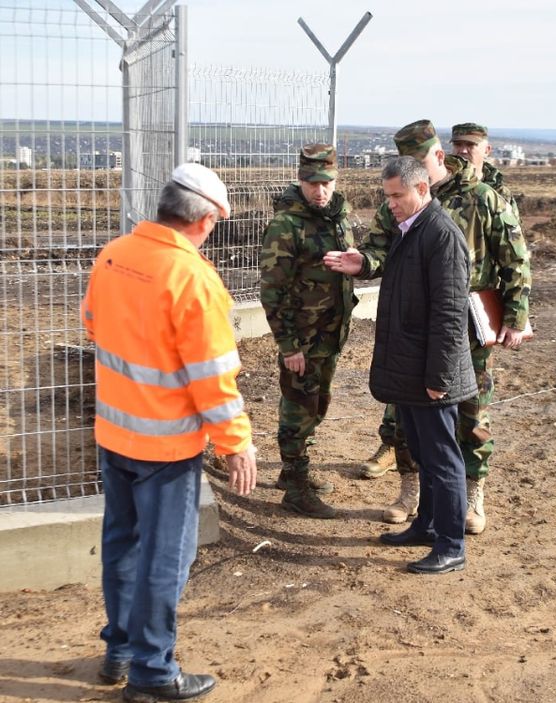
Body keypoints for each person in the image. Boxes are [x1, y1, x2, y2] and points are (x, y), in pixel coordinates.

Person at [82, 163, 257, 700]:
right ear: (204, 220)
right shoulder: (194, 280)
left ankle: (120, 648)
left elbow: (92, 322)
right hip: (166, 446)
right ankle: (154, 671)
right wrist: (236, 444)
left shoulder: (114, 255)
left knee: (122, 545)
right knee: (165, 557)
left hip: (115, 432)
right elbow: (213, 378)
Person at [353, 119, 531, 535]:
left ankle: (472, 492)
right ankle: (410, 490)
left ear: (436, 158)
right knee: (405, 412)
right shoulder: (395, 203)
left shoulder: (483, 198)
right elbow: (378, 250)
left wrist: (516, 316)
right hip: (414, 324)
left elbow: (515, 258)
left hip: (467, 320)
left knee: (471, 411)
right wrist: (362, 263)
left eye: (417, 164)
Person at [325, 156, 476, 574]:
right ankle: (426, 526)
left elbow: (449, 313)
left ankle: (451, 545)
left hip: (430, 374)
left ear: (422, 189)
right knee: (425, 456)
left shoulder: (441, 235)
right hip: (412, 370)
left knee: (443, 459)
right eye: (387, 195)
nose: (389, 204)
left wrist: (439, 378)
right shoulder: (411, 230)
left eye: (397, 195)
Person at [260, 144, 355, 519]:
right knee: (298, 408)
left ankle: (292, 472)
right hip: (302, 338)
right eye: (312, 183)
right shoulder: (287, 225)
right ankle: (296, 488)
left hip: (330, 334)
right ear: (300, 181)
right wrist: (288, 345)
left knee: (318, 404)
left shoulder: (336, 216)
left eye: (326, 183)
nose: (320, 191)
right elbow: (272, 290)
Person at [450, 122, 520, 221]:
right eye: (458, 145)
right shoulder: (439, 188)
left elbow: (512, 234)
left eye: (470, 145)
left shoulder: (500, 194)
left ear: (487, 150)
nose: (463, 151)